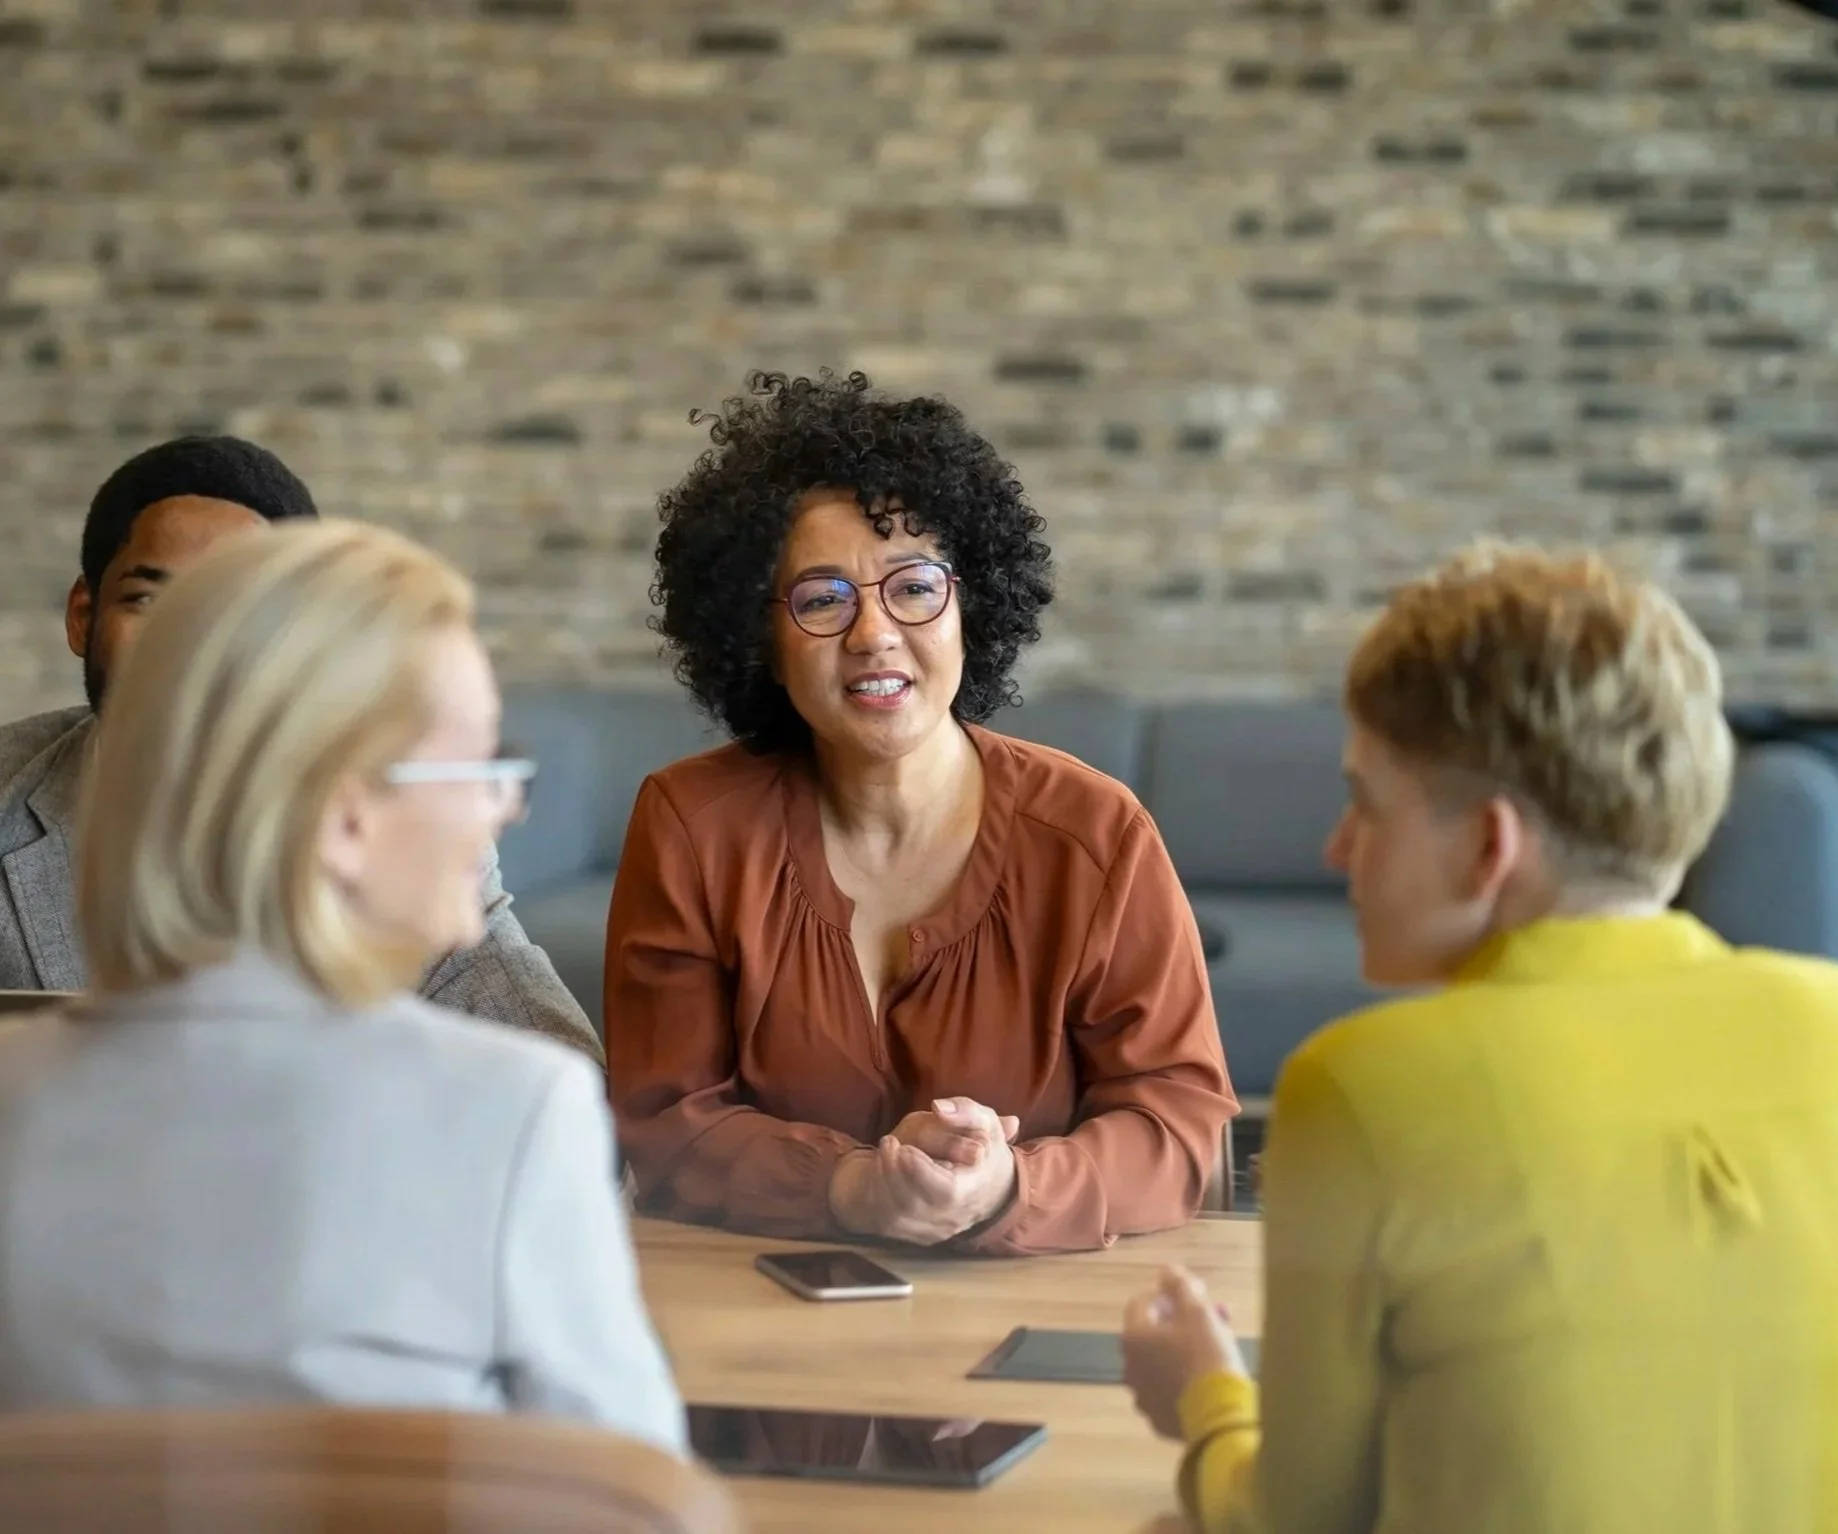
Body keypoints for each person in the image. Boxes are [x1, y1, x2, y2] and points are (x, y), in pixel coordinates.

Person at [1119, 544, 1838, 1533]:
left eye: (1364, 801)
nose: (1335, 848)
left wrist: (1206, 1396)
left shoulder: (1362, 1086)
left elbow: (1298, 1519)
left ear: (1491, 845)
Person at [0, 519, 686, 1453]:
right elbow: (632, 1497)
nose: (507, 804)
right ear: (348, 817)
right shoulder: (515, 1117)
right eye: (480, 764)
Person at [606, 370, 1236, 1256]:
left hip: (1034, 1321)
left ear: (969, 601)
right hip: (758, 1318)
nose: (873, 634)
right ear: (761, 641)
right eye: (823, 599)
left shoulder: (1098, 834)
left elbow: (1182, 1129)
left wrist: (1010, 1187)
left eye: (913, 586)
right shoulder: (689, 825)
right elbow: (664, 1122)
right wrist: (849, 1187)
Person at [0, 435, 600, 1062]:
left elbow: (561, 1073)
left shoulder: (396, 817)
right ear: (82, 616)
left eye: (237, 615)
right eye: (151, 601)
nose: (191, 652)